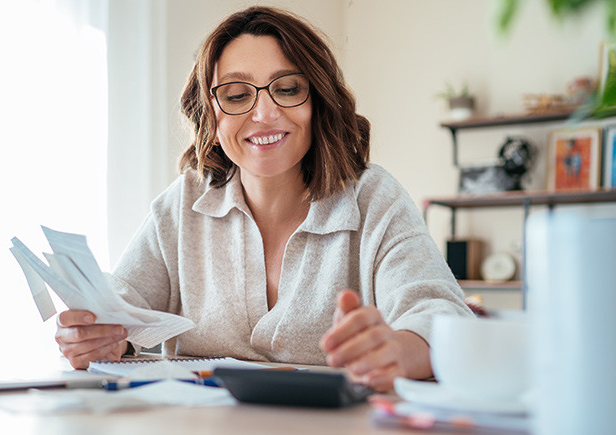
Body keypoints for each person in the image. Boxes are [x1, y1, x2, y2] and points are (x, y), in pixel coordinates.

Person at [54, 6, 473, 392]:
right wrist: (96, 338)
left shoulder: (373, 199)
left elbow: (442, 317)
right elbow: (121, 307)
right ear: (210, 115)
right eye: (237, 96)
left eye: (288, 89)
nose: (264, 113)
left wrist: (398, 350)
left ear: (318, 102)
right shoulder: (183, 203)